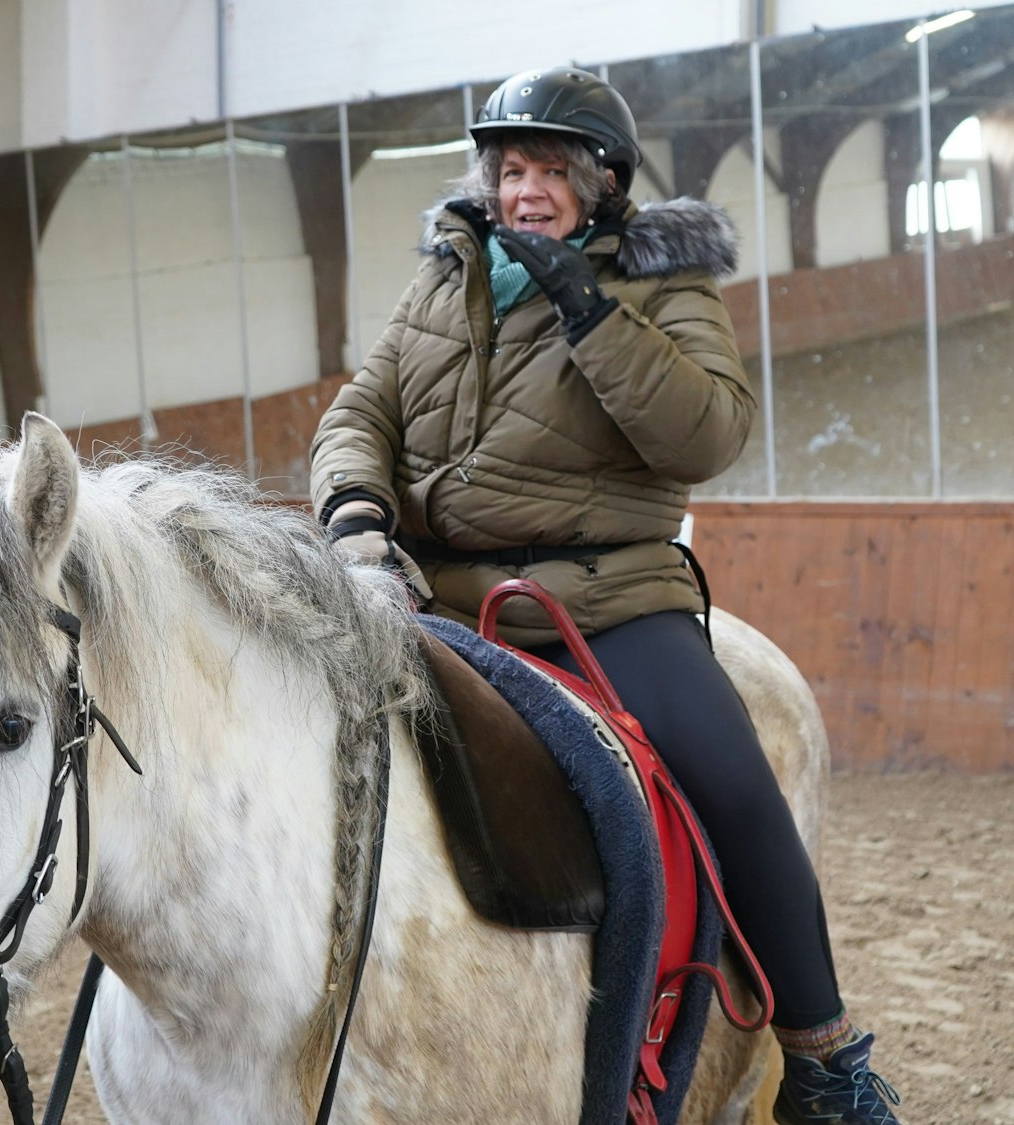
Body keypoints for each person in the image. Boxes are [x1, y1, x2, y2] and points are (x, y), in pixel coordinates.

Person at [309, 66, 902, 1124]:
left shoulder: (660, 283)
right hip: (424, 589)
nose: (523, 189)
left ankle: (822, 1061)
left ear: (599, 181)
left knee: (733, 781)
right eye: (508, 168)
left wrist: (588, 310)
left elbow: (706, 434)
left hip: (598, 602)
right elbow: (363, 410)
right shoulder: (446, 272)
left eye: (546, 170)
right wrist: (355, 515)